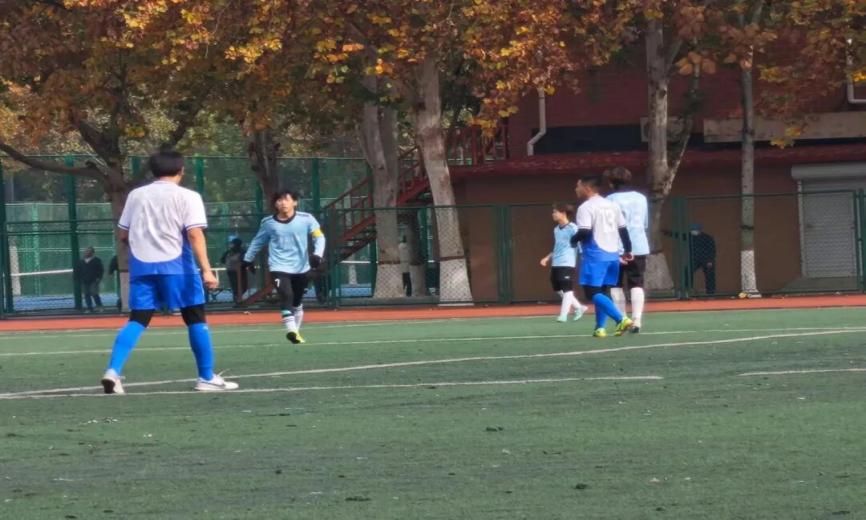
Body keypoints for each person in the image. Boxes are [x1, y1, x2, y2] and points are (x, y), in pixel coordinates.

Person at [100, 148, 238, 395]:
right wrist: (207, 270)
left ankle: (113, 371)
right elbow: (194, 234)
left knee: (137, 319)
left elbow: (123, 234)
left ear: (152, 170)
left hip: (142, 267)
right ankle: (206, 377)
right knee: (195, 317)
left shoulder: (135, 196)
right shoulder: (188, 196)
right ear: (181, 170)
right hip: (177, 267)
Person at [242, 189, 326, 344]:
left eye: (286, 199)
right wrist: (247, 259)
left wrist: (317, 255)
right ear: (275, 204)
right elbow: (258, 241)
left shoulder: (307, 219)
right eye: (279, 200)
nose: (283, 203)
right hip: (278, 267)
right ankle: (291, 331)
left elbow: (319, 237)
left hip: (301, 268)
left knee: (297, 302)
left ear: (295, 202)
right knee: (286, 295)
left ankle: (296, 333)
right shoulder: (268, 223)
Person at [570, 176, 634, 338]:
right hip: (612, 255)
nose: (576, 189)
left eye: (578, 186)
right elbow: (623, 229)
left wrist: (572, 240)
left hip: (595, 254)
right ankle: (600, 328)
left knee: (591, 292)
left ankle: (621, 318)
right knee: (602, 291)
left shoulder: (586, 207)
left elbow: (584, 231)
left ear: (587, 188)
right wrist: (628, 249)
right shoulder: (612, 205)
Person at [604, 166, 649, 333]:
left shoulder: (609, 200)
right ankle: (637, 320)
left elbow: (608, 226)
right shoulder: (641, 198)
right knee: (637, 282)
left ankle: (622, 319)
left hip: (615, 247)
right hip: (638, 245)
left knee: (615, 284)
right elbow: (644, 223)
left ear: (611, 182)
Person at [539, 203, 588, 323]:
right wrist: (547, 258)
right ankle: (579, 307)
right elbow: (557, 247)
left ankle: (563, 315)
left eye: (555, 212)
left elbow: (580, 245)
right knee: (557, 288)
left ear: (563, 213)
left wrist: (584, 258)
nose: (553, 214)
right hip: (556, 262)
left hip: (567, 262)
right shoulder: (556, 229)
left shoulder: (573, 228)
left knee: (567, 288)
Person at [690, 224, 717, 295]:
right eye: (692, 230)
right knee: (688, 272)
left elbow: (712, 249)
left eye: (695, 230)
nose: (693, 232)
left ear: (699, 230)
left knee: (709, 274)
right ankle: (689, 289)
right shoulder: (690, 237)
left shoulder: (707, 238)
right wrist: (668, 233)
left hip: (706, 259)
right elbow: (680, 236)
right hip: (695, 259)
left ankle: (711, 292)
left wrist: (710, 260)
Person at [75, 246, 104, 313]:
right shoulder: (81, 261)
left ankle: (99, 306)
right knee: (86, 294)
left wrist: (99, 277)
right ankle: (89, 308)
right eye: (86, 251)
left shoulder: (97, 260)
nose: (86, 252)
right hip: (84, 280)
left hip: (94, 280)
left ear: (92, 253)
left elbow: (100, 270)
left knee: (94, 293)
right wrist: (77, 278)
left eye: (89, 251)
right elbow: (77, 270)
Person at [220, 237, 248, 304]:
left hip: (241, 271)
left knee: (243, 286)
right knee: (235, 286)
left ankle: (238, 298)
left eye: (232, 244)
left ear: (236, 244)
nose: (231, 245)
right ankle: (237, 300)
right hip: (231, 271)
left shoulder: (242, 252)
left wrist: (242, 265)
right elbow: (222, 260)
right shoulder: (228, 252)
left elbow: (247, 261)